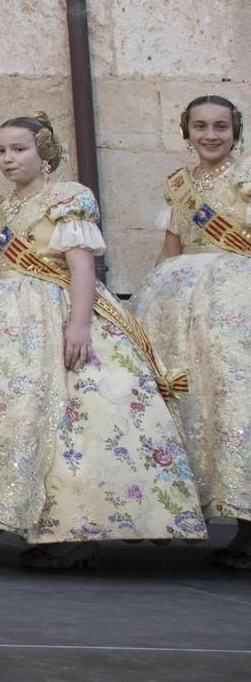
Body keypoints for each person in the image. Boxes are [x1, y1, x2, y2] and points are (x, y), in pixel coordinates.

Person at [0, 112, 206, 570]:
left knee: (75, 420)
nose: (8, 159)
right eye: (2, 150)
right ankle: (37, 524)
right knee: (17, 422)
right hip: (2, 325)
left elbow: (82, 267)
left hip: (58, 314)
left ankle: (79, 532)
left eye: (19, 149)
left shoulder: (68, 198)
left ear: (43, 151)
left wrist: (79, 326)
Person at [134, 95, 251, 570]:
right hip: (178, 303)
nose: (210, 135)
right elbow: (172, 245)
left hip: (236, 302)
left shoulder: (247, 179)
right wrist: (144, 303)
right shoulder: (179, 184)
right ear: (186, 130)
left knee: (234, 403)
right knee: (184, 400)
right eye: (200, 126)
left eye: (220, 126)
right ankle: (176, 510)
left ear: (235, 130)